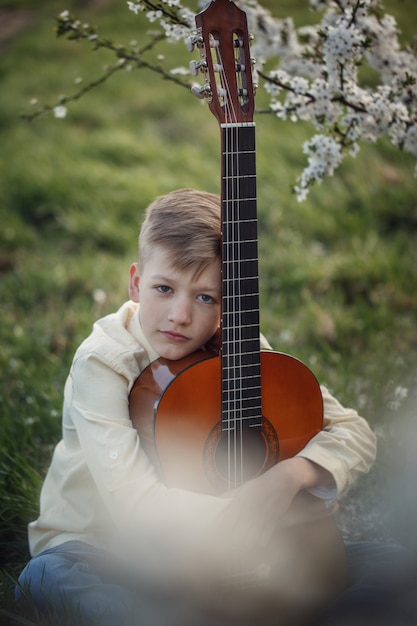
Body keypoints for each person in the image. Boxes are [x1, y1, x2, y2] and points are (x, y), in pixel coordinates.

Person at [15, 189, 414, 626]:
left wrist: (289, 478)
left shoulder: (236, 346)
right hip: (101, 548)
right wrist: (277, 510)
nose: (181, 315)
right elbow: (136, 507)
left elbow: (353, 431)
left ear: (231, 304)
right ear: (135, 283)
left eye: (207, 297)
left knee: (395, 565)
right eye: (163, 289)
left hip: (225, 549)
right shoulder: (104, 362)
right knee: (45, 576)